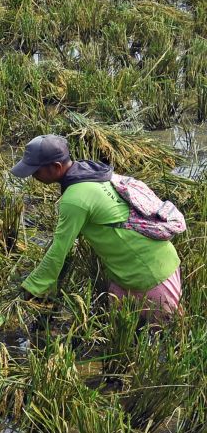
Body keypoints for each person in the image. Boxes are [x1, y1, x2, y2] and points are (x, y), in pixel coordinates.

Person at [11, 135, 182, 323]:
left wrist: (31, 287)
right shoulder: (92, 172)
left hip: (149, 274)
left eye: (36, 171)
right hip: (136, 269)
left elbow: (60, 249)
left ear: (56, 167)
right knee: (125, 334)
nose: (33, 177)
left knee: (167, 336)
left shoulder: (75, 199)